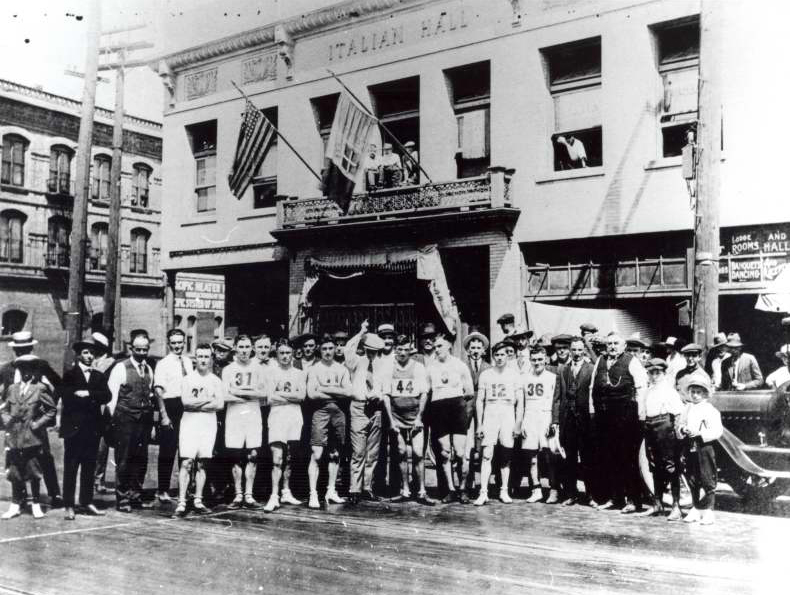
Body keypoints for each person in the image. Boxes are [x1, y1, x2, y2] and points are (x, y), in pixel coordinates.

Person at [0, 331, 63, 508]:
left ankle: (54, 494)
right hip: (15, 427)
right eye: (19, 350)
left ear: (32, 348)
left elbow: (59, 385)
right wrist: (6, 417)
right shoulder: (6, 369)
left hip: (35, 423)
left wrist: (45, 409)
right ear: (14, 351)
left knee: (44, 457)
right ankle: (18, 498)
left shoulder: (41, 366)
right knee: (14, 459)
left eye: (26, 348)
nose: (23, 353)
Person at [590, 333, 648, 513]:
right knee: (609, 458)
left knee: (627, 459)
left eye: (616, 343)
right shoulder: (600, 360)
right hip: (604, 418)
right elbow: (593, 387)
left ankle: (633, 501)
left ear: (623, 346)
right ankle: (615, 498)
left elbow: (641, 388)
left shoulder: (631, 361)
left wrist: (640, 416)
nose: (612, 346)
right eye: (609, 343)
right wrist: (592, 412)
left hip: (626, 418)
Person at [60, 338, 111, 521]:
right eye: (86, 353)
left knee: (89, 466)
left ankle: (87, 501)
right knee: (71, 467)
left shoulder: (98, 376)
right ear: (79, 354)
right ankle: (68, 505)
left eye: (92, 353)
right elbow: (68, 398)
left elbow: (107, 395)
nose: (89, 356)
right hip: (74, 430)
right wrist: (91, 399)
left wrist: (88, 394)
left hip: (92, 430)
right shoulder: (70, 375)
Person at [107, 331, 156, 512]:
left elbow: (149, 395)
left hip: (143, 421)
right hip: (125, 420)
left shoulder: (149, 369)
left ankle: (136, 495)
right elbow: (111, 399)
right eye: (138, 349)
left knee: (141, 459)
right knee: (124, 459)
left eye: (145, 349)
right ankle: (123, 498)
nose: (142, 353)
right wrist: (112, 423)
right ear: (131, 348)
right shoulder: (121, 368)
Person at [174, 344, 224, 517]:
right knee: (187, 462)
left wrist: (200, 404)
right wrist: (207, 401)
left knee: (203, 462)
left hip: (208, 424)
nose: (203, 360)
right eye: (200, 356)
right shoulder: (188, 379)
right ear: (196, 358)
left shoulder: (216, 381)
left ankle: (198, 499)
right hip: (189, 423)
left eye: (206, 357)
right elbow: (186, 403)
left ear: (211, 358)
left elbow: (219, 404)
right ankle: (181, 502)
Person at [384, 335, 433, 505]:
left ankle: (421, 491)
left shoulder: (418, 367)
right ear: (395, 350)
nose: (403, 353)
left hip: (415, 417)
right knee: (401, 453)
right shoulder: (389, 368)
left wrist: (419, 417)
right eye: (400, 350)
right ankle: (404, 490)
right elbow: (386, 396)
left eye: (406, 350)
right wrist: (391, 421)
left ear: (411, 350)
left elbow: (424, 393)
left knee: (419, 453)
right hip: (397, 417)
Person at [426, 333, 474, 503]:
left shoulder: (460, 365)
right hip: (438, 409)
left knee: (460, 453)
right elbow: (427, 391)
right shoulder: (431, 367)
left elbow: (469, 393)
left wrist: (462, 411)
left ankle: (463, 489)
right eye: (435, 346)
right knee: (445, 453)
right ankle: (450, 490)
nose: (436, 349)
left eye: (439, 346)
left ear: (449, 346)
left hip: (456, 409)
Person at [474, 341, 524, 506]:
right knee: (487, 454)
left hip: (507, 413)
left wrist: (517, 423)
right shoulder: (486, 375)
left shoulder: (514, 375)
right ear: (493, 356)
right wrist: (480, 424)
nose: (500, 357)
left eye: (503, 354)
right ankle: (483, 492)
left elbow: (520, 402)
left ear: (508, 356)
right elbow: (480, 401)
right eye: (497, 355)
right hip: (491, 413)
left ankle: (504, 490)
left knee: (505, 455)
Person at [222, 334, 269, 509]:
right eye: (240, 347)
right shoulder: (228, 369)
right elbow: (225, 395)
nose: (244, 351)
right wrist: (249, 393)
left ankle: (249, 495)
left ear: (252, 348)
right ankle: (238, 494)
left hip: (253, 415)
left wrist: (239, 392)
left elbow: (264, 393)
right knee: (235, 455)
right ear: (235, 348)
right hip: (234, 415)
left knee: (253, 454)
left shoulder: (259, 369)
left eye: (247, 347)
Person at [306, 334, 353, 509]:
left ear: (335, 350)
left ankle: (331, 491)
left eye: (330, 348)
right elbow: (312, 394)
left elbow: (348, 392)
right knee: (317, 453)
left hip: (339, 411)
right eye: (324, 349)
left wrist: (324, 388)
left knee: (335, 453)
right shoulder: (314, 369)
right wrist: (336, 390)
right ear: (320, 349)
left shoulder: (342, 369)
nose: (327, 352)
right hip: (320, 411)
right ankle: (313, 494)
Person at [263, 339, 307, 512]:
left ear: (293, 353)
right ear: (277, 354)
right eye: (281, 353)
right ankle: (274, 496)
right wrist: (290, 396)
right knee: (277, 458)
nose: (285, 356)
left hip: (294, 417)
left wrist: (280, 395)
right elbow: (269, 398)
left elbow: (302, 396)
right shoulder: (272, 373)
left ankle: (286, 491)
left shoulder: (299, 373)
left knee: (289, 457)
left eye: (288, 353)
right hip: (277, 417)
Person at [553, 337, 596, 506]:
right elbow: (557, 398)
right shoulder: (563, 370)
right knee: (569, 458)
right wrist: (556, 420)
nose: (577, 353)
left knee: (588, 458)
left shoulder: (591, 369)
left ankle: (592, 494)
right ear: (570, 350)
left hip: (585, 421)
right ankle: (571, 493)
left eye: (580, 350)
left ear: (584, 350)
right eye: (574, 350)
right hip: (567, 420)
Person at [153, 329, 194, 503]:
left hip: (186, 406)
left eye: (180, 342)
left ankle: (183, 489)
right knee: (168, 450)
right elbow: (158, 391)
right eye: (174, 343)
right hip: (170, 406)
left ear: (184, 342)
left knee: (186, 450)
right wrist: (164, 415)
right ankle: (162, 490)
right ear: (169, 343)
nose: (177, 346)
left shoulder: (188, 361)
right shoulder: (163, 363)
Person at [641, 358, 684, 521]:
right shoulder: (649, 391)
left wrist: (678, 434)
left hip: (665, 427)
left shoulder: (669, 391)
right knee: (654, 465)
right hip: (650, 427)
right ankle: (657, 504)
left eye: (657, 373)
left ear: (664, 374)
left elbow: (679, 413)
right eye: (651, 373)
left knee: (670, 466)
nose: (654, 376)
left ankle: (676, 506)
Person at [347, 333, 387, 504]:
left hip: (376, 409)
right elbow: (348, 349)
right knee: (358, 451)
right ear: (364, 348)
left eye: (375, 351)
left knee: (373, 452)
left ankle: (367, 488)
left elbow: (385, 388)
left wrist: (379, 397)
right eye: (369, 350)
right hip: (358, 407)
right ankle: (354, 489)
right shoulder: (356, 361)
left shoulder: (383, 365)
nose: (372, 354)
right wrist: (360, 333)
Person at [678, 377, 723, 525]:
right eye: (693, 392)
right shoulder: (688, 408)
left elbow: (717, 431)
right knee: (692, 477)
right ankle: (696, 508)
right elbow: (681, 424)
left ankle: (708, 510)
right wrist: (683, 429)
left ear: (704, 394)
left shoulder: (710, 410)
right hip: (690, 445)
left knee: (707, 477)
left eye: (698, 392)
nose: (695, 395)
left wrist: (700, 433)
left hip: (704, 446)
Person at [520, 347, 561, 504]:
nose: (537, 362)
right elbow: (522, 402)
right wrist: (522, 421)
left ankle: (553, 489)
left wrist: (553, 421)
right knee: (532, 457)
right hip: (530, 417)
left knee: (550, 455)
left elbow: (555, 400)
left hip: (546, 416)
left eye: (539, 359)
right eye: (534, 359)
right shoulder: (525, 377)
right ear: (530, 360)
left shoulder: (552, 377)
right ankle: (536, 489)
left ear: (545, 360)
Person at [206, 337, 234, 504]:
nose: (220, 353)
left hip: (227, 413)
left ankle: (223, 486)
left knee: (225, 450)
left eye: (224, 350)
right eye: (218, 350)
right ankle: (208, 486)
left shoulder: (232, 368)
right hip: (209, 412)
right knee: (210, 449)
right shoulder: (207, 366)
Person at [464, 330, 490, 498]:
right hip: (465, 410)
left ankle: (483, 486)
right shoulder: (461, 365)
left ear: (483, 350)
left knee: (481, 449)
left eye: (478, 347)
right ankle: (467, 484)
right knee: (467, 449)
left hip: (483, 411)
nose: (475, 350)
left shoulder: (488, 368)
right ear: (468, 349)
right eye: (472, 347)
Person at [91, 331, 116, 495]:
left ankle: (98, 479)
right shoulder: (91, 362)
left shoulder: (111, 364)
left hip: (104, 409)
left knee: (102, 446)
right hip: (88, 409)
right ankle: (90, 478)